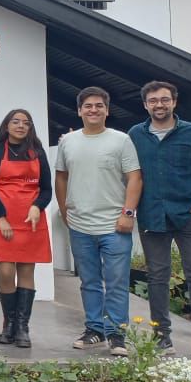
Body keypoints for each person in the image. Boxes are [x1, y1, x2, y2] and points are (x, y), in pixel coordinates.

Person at [128, 81, 191, 364]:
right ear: (145, 105)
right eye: (152, 101)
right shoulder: (135, 135)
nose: (158, 105)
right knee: (157, 277)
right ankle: (162, 337)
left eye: (164, 100)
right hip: (153, 215)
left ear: (174, 102)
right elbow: (124, 168)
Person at [55, 86, 142, 357]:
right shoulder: (68, 142)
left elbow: (135, 177)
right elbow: (61, 177)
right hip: (80, 224)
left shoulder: (121, 140)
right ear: (79, 110)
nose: (93, 110)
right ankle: (94, 329)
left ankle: (117, 333)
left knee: (116, 281)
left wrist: (128, 213)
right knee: (89, 281)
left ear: (107, 110)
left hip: (114, 225)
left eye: (99, 105)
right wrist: (64, 208)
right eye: (88, 106)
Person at [0, 109, 52, 347]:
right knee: (6, 271)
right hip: (1, 217)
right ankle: (7, 323)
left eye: (26, 123)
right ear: (7, 125)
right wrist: (1, 217)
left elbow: (46, 189)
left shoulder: (38, 152)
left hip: (30, 218)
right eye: (16, 121)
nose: (21, 126)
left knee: (26, 271)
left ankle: (22, 327)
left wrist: (37, 207)